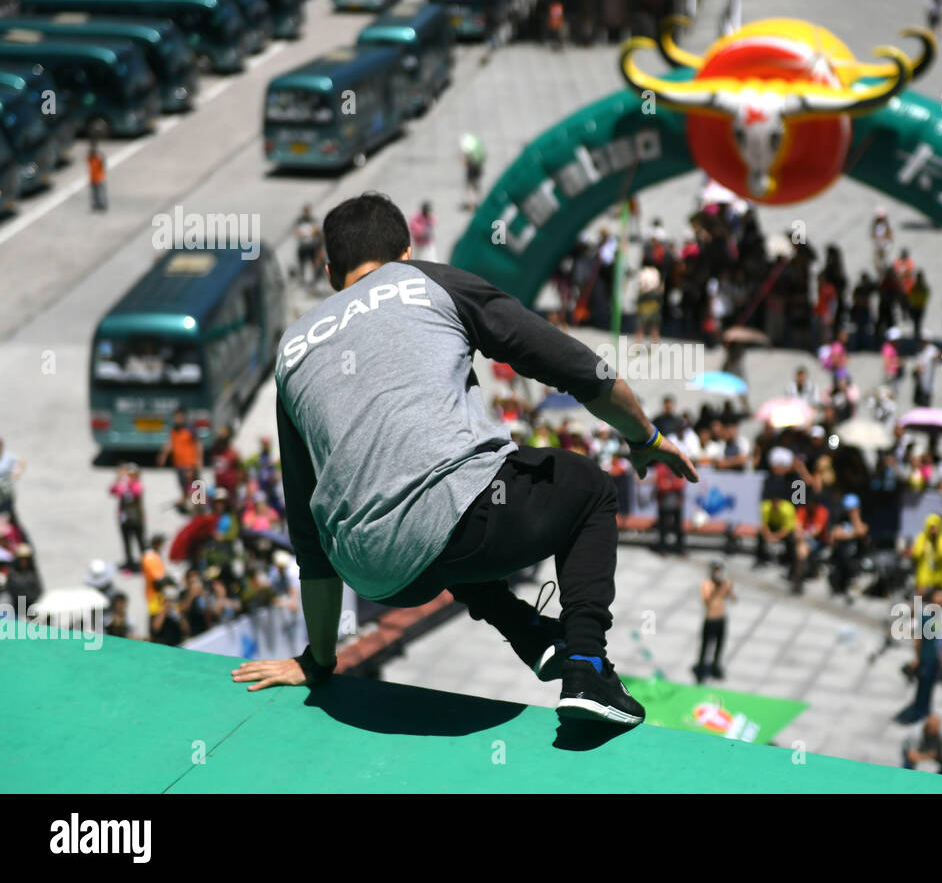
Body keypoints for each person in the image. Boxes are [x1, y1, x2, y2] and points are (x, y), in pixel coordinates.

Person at [231, 193, 698, 727]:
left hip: (371, 571)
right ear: (407, 251)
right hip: (461, 524)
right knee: (588, 486)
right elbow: (577, 368)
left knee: (439, 509)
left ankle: (531, 634)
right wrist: (645, 437)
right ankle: (588, 670)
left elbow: (307, 530)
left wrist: (317, 661)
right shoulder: (429, 281)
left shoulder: (291, 349)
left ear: (331, 270)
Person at [896, 589, 942, 723]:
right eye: (938, 599)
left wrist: (941, 656)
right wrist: (917, 657)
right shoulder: (925, 617)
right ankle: (919, 710)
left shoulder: (938, 616)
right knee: (923, 686)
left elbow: (939, 639)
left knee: (930, 686)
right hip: (926, 657)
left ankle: (926, 709)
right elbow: (918, 639)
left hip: (935, 658)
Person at [694, 561, 735, 682]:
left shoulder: (725, 583)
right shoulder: (707, 584)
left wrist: (728, 588)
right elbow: (706, 600)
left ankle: (716, 666)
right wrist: (717, 588)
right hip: (710, 619)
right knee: (705, 646)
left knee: (720, 644)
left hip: (721, 618)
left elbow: (733, 598)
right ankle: (701, 670)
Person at [157, 409, 202, 513]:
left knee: (194, 484)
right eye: (176, 417)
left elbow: (198, 444)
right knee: (183, 484)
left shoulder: (190, 429)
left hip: (190, 462)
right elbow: (170, 443)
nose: (177, 419)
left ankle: (199, 506)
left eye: (179, 417)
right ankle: (187, 503)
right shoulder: (174, 430)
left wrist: (199, 460)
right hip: (179, 463)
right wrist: (163, 455)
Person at [110, 463, 146, 571]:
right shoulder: (123, 485)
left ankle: (145, 562)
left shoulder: (137, 484)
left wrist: (126, 483)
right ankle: (129, 561)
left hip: (136, 518)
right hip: (124, 519)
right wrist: (118, 479)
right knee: (126, 541)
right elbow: (113, 490)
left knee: (140, 541)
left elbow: (135, 492)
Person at [911, 513, 942, 595]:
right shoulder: (922, 537)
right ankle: (916, 607)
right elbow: (916, 553)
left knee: (938, 597)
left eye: (935, 527)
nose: (933, 530)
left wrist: (938, 545)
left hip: (939, 571)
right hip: (924, 570)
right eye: (931, 527)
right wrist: (923, 548)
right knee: (919, 594)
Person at [294, 206, 324, 287]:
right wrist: (308, 233)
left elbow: (316, 231)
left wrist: (308, 233)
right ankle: (303, 280)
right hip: (303, 246)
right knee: (302, 264)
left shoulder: (312, 220)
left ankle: (315, 280)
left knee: (314, 263)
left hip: (312, 246)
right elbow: (297, 233)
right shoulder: (299, 221)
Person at [87, 141, 107, 212]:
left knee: (100, 192)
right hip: (93, 178)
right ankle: (96, 204)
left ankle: (102, 204)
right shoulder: (91, 158)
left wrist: (99, 155)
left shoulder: (99, 158)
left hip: (99, 178)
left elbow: (103, 164)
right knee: (94, 193)